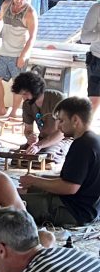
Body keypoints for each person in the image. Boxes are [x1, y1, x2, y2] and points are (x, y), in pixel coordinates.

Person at [20, 96, 100, 227]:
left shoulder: (82, 146)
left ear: (75, 120)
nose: (58, 126)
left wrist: (35, 180)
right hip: (86, 208)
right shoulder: (94, 139)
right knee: (26, 189)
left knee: (11, 202)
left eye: (61, 121)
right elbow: (71, 179)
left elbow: (70, 187)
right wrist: (35, 180)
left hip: (73, 211)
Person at [0, 0, 38, 119]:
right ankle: (1, 108)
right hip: (4, 50)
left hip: (19, 53)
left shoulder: (30, 13)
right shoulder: (6, 4)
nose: (19, 1)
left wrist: (23, 56)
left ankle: (13, 112)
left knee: (18, 85)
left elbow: (32, 37)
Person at [10, 70, 66, 157]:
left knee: (46, 156)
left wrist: (39, 145)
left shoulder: (58, 99)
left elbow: (63, 132)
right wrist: (30, 137)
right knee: (20, 155)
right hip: (43, 138)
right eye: (22, 95)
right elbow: (28, 130)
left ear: (35, 90)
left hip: (62, 139)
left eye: (25, 94)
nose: (24, 98)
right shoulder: (27, 104)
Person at [79, 0, 100, 116]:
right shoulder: (96, 8)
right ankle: (84, 131)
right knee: (94, 101)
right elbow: (84, 38)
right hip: (97, 60)